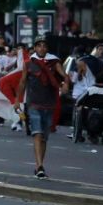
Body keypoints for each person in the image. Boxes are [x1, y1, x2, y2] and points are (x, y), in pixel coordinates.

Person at [15, 37, 68, 179]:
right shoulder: (29, 63)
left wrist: (65, 84)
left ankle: (39, 165)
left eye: (44, 46)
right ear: (35, 48)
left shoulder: (54, 62)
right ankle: (39, 166)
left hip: (49, 104)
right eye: (39, 46)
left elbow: (64, 76)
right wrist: (17, 101)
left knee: (44, 137)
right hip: (34, 103)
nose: (42, 48)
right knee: (37, 134)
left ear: (47, 49)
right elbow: (22, 82)